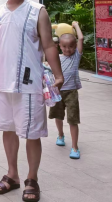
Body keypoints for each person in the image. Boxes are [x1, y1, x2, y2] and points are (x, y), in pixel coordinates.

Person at [0, 0, 64, 202]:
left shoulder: (37, 11)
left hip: (28, 83)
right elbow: (0, 42)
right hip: (2, 83)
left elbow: (48, 45)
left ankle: (32, 179)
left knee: (32, 133)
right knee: (8, 129)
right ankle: (12, 175)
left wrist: (58, 75)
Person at [49, 21, 83, 160]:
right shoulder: (56, 58)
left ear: (75, 47)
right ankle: (60, 135)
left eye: (71, 46)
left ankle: (75, 147)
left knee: (73, 120)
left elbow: (81, 38)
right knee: (58, 116)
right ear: (59, 46)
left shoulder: (76, 57)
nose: (67, 49)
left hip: (71, 93)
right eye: (64, 46)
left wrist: (76, 25)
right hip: (57, 91)